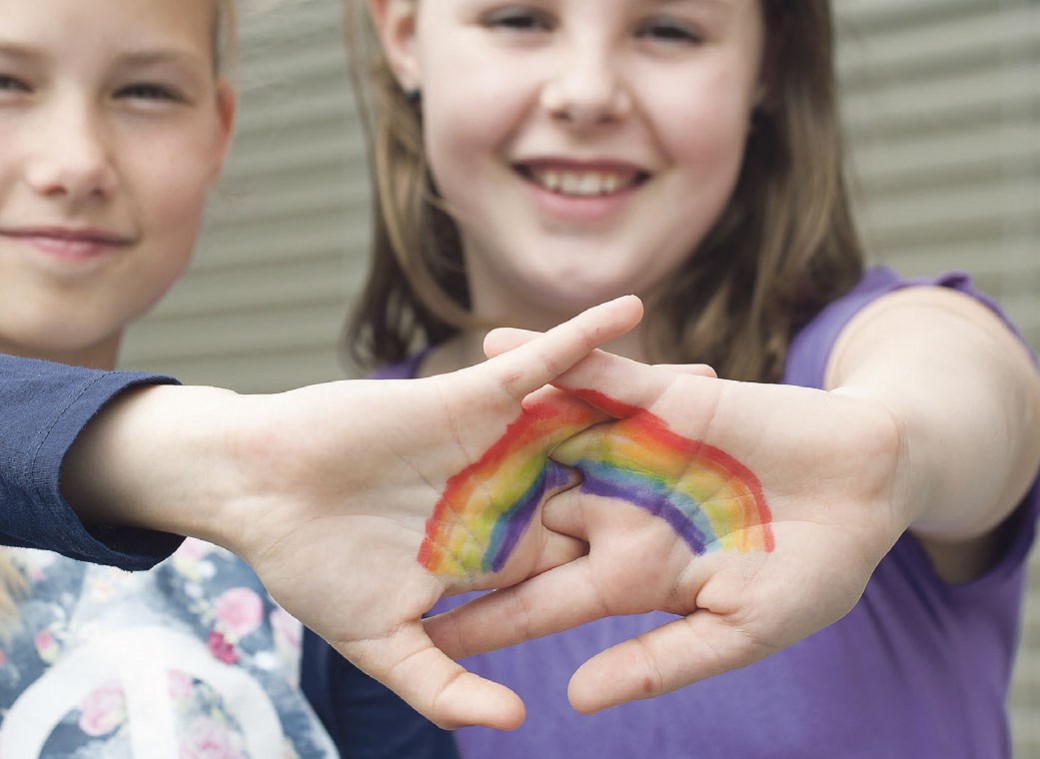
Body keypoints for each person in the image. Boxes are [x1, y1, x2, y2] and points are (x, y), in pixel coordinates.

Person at [321, 0, 1040, 756]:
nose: (588, 92)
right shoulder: (340, 476)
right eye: (520, 18)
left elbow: (968, 391)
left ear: (767, 67)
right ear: (404, 36)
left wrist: (891, 450)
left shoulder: (866, 362)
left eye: (669, 30)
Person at [0, 0, 649, 753]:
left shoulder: (304, 556)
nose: (77, 164)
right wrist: (229, 465)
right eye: (5, 82)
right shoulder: (268, 482)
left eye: (147, 91)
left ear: (220, 130)